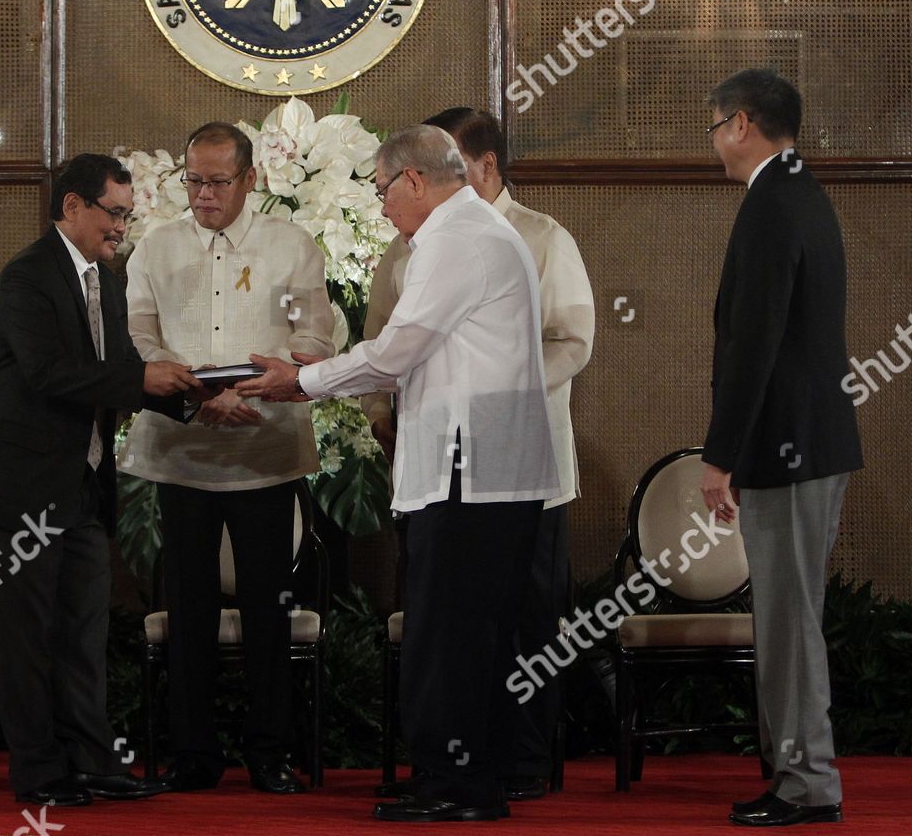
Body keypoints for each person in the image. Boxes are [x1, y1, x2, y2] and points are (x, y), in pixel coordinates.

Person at [240, 126, 562, 823]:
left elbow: (395, 354)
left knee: (454, 636)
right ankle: (463, 775)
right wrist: (322, 373)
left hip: (469, 471)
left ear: (414, 179)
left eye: (383, 189)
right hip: (484, 469)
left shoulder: (456, 238)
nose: (382, 206)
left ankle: (459, 784)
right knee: (472, 634)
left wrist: (302, 380)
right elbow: (415, 355)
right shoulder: (475, 229)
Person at [0, 154, 207, 808]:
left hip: (82, 489)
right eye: (113, 213)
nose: (122, 227)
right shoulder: (26, 277)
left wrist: (194, 396)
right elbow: (50, 372)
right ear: (72, 206)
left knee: (82, 635)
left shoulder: (107, 283)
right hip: (17, 491)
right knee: (24, 639)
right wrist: (143, 377)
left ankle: (92, 763)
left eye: (127, 215)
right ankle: (41, 772)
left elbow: (119, 370)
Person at [361, 108, 593, 801]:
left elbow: (571, 342)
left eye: (453, 163)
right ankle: (461, 766)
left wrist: (493, 395)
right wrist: (382, 414)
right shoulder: (409, 243)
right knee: (447, 622)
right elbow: (384, 337)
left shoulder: (540, 236)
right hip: (438, 458)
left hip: (514, 459)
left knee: (522, 619)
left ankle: (519, 760)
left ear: (483, 166)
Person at [120, 122, 336, 794]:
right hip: (181, 451)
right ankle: (193, 752)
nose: (203, 194)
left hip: (264, 449)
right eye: (193, 180)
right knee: (188, 610)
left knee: (269, 609)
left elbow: (313, 338)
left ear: (250, 179)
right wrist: (197, 394)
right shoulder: (156, 248)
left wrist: (250, 390)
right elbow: (137, 335)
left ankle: (270, 751)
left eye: (217, 181)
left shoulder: (290, 246)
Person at [697, 70, 862, 827]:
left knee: (789, 623)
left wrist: (720, 453)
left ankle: (806, 783)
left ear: (741, 123)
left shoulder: (772, 202)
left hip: (789, 443)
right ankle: (795, 772)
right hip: (808, 440)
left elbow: (753, 343)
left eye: (714, 127)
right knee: (791, 618)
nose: (713, 142)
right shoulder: (801, 191)